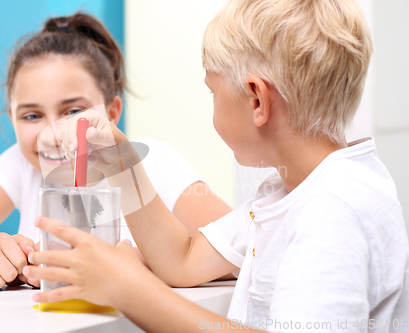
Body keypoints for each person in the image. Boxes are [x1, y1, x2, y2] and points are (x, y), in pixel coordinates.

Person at [23, 0, 409, 331]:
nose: (212, 101)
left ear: (257, 100)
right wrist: (122, 166)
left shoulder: (332, 210)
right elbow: (183, 260)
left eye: (213, 90)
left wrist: (129, 289)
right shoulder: (287, 193)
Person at [0, 13, 231, 292]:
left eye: (72, 111)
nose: (52, 135)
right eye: (32, 116)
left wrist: (153, 261)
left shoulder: (153, 164)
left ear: (112, 113)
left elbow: (248, 250)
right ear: (12, 119)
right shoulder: (23, 165)